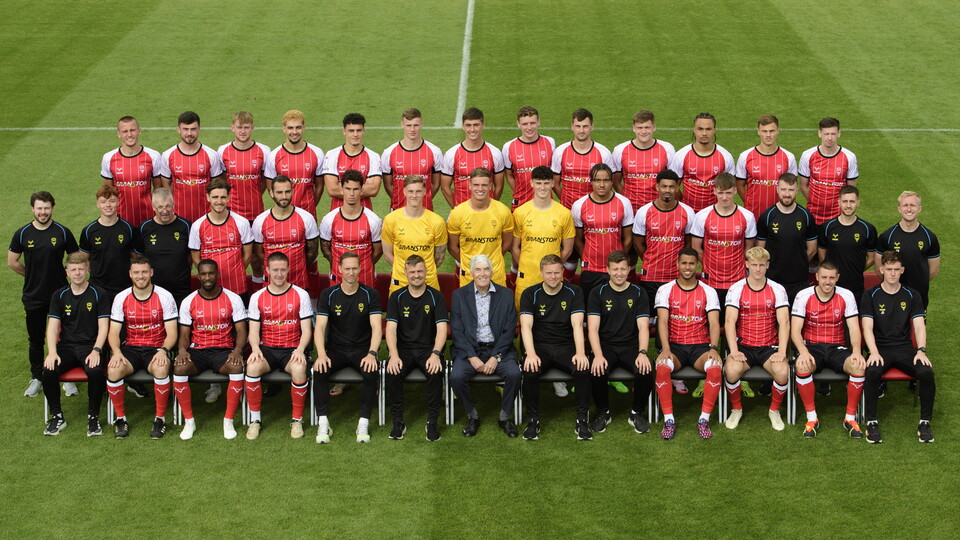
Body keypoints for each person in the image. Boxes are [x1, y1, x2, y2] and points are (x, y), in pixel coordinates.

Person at [631, 170, 697, 395]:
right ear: (657, 187)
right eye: (664, 186)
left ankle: (673, 373)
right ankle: (646, 368)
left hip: (677, 281)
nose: (668, 190)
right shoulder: (644, 212)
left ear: (677, 187)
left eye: (672, 186)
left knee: (674, 326)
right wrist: (649, 259)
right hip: (650, 279)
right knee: (647, 326)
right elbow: (639, 242)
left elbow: (688, 244)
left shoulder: (687, 212)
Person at [861, 251, 936, 443]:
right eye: (889, 269)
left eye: (896, 270)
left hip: (905, 350)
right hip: (881, 349)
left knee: (927, 373)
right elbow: (867, 327)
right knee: (871, 373)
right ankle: (872, 422)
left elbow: (919, 325)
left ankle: (925, 422)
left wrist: (921, 350)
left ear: (902, 270)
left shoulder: (912, 295)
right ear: (881, 269)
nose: (892, 273)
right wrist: (874, 352)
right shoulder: (870, 295)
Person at [9, 191, 79, 397]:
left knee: (64, 338)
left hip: (60, 296)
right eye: (39, 208)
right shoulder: (22, 234)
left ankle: (66, 379)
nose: (43, 212)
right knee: (36, 338)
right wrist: (30, 275)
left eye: (46, 208)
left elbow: (76, 260)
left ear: (52, 209)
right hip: (33, 296)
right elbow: (12, 262)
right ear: (32, 209)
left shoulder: (63, 232)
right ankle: (37, 377)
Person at [173, 259, 248, 440]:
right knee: (180, 368)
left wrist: (237, 350)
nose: (208, 277)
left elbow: (241, 331)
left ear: (217, 274)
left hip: (223, 351)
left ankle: (228, 420)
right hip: (197, 351)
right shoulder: (189, 301)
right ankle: (189, 421)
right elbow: (183, 334)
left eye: (211, 273)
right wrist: (182, 351)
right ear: (198, 276)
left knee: (236, 367)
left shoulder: (233, 298)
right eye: (204, 274)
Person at [106, 255, 178, 439]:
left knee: (161, 368)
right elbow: (113, 332)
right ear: (130, 274)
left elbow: (172, 333)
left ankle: (159, 419)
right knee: (113, 370)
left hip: (156, 348)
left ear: (151, 272)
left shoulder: (164, 296)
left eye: (144, 272)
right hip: (131, 348)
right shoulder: (121, 298)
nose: (141, 276)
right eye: (136, 272)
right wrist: (116, 352)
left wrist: (164, 350)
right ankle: (121, 420)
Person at [653, 249, 723, 439]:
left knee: (715, 369)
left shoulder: (708, 291)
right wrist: (666, 348)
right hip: (674, 347)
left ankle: (704, 420)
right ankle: (669, 420)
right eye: (684, 263)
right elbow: (662, 321)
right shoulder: (665, 290)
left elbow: (715, 323)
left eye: (692, 263)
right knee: (661, 368)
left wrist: (714, 348)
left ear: (697, 265)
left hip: (700, 347)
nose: (688, 267)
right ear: (677, 264)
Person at [314, 252, 383, 443]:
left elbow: (377, 327)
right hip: (336, 350)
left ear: (360, 269)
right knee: (319, 370)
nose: (351, 272)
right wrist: (321, 354)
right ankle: (323, 423)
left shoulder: (370, 294)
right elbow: (319, 327)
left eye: (354, 268)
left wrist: (372, 353)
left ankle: (363, 422)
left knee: (371, 372)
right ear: (339, 270)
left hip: (362, 350)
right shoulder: (329, 294)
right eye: (347, 268)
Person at [791, 260, 865, 439]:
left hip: (836, 347)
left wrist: (856, 351)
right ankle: (811, 418)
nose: (827, 282)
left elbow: (854, 328)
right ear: (816, 277)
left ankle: (849, 418)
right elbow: (795, 330)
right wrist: (803, 351)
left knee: (858, 367)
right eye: (824, 277)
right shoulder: (803, 295)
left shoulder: (846, 295)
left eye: (832, 278)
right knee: (802, 367)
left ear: (837, 278)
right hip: (811, 347)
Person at [519, 254, 591, 440]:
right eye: (549, 273)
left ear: (563, 272)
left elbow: (577, 325)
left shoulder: (574, 292)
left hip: (565, 347)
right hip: (540, 347)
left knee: (583, 369)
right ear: (541, 272)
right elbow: (526, 326)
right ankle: (533, 420)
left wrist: (581, 353)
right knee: (530, 370)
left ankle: (582, 420)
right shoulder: (530, 293)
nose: (553, 277)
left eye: (557, 273)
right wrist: (531, 354)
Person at [450, 255, 521, 437]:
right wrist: (471, 356)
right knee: (456, 376)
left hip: (498, 350)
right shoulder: (459, 295)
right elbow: (457, 331)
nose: (482, 274)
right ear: (472, 273)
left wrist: (496, 357)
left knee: (514, 373)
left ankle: (504, 417)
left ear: (492, 271)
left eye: (486, 269)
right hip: (470, 351)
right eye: (478, 270)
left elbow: (509, 330)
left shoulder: (506, 295)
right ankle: (472, 416)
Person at [244, 252, 313, 440]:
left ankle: (296, 420)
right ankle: (255, 420)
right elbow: (253, 332)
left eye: (283, 270)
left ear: (289, 269)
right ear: (267, 271)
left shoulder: (301, 295)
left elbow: (307, 330)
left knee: (299, 369)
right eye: (275, 270)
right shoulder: (257, 297)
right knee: (252, 367)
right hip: (267, 349)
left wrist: (300, 350)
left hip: (292, 349)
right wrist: (256, 349)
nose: (279, 274)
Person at [722, 247, 791, 430]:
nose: (758, 269)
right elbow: (729, 322)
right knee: (731, 370)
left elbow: (784, 322)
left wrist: (782, 351)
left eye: (762, 265)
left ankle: (774, 411)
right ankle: (736, 409)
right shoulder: (736, 289)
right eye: (754, 265)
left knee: (783, 372)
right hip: (744, 346)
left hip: (769, 347)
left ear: (768, 265)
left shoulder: (777, 289)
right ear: (747, 265)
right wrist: (734, 350)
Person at [41, 253, 109, 436]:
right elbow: (52, 328)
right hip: (67, 348)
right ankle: (57, 416)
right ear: (67, 272)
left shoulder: (98, 293)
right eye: (73, 270)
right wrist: (52, 353)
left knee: (95, 371)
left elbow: (104, 327)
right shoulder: (59, 295)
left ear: (87, 270)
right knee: (48, 370)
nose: (78, 273)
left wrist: (96, 350)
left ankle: (93, 417)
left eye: (81, 269)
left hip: (91, 346)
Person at [587, 251, 653, 436]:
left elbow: (643, 327)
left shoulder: (639, 293)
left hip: (630, 347)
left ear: (629, 269)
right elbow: (592, 329)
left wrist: (642, 352)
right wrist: (598, 355)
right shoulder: (597, 293)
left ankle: (636, 413)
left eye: (623, 269)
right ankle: (603, 413)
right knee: (596, 368)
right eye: (615, 269)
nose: (619, 273)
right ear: (607, 269)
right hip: (606, 346)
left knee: (645, 369)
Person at [385, 255, 448, 441]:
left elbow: (442, 328)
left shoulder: (436, 296)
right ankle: (398, 422)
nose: (416, 275)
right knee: (393, 372)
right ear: (405, 273)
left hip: (428, 349)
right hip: (403, 349)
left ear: (426, 271)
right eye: (412, 272)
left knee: (435, 372)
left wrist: (436, 354)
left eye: (420, 271)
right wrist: (394, 355)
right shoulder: (397, 297)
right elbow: (390, 329)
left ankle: (432, 422)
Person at [690, 172, 757, 308]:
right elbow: (696, 247)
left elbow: (749, 250)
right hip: (710, 280)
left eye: (728, 193)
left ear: (735, 191)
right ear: (714, 191)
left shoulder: (747, 217)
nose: (724, 197)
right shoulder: (702, 216)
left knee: (735, 321)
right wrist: (711, 265)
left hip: (737, 280)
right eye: (721, 193)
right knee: (712, 320)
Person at [511, 166, 575, 307]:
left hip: (553, 280)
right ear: (532, 183)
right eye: (539, 183)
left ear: (552, 183)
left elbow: (568, 249)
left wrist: (554, 268)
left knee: (553, 320)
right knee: (524, 321)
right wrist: (525, 266)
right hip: (526, 278)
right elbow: (514, 247)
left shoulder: (564, 213)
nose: (542, 187)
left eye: (546, 183)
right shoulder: (520, 213)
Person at [571, 163, 634, 299]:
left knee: (615, 310)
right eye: (597, 180)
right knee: (590, 310)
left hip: (615, 270)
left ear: (612, 182)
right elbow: (578, 238)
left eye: (605, 180)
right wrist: (587, 257)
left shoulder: (624, 203)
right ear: (591, 182)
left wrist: (619, 260)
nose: (602, 184)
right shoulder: (579, 205)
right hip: (590, 269)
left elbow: (628, 237)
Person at [252, 174, 320, 292]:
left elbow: (312, 253)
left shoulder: (306, 218)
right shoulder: (260, 221)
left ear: (292, 191)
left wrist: (298, 267)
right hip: (271, 284)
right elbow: (259, 253)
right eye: (279, 192)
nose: (284, 196)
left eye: (287, 192)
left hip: (299, 282)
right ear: (271, 193)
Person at [755, 173, 817, 302]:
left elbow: (812, 250)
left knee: (798, 320)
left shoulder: (806, 216)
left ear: (797, 191)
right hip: (773, 282)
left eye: (791, 190)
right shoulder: (767, 216)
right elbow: (760, 251)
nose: (787, 194)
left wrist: (798, 264)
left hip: (799, 282)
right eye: (783, 189)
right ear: (777, 189)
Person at [447, 167, 514, 286]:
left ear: (490, 186)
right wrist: (470, 264)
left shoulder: (503, 211)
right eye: (476, 185)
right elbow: (452, 247)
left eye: (484, 185)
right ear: (470, 186)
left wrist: (493, 260)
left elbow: (507, 243)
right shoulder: (457, 213)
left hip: (496, 274)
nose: (480, 189)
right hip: (468, 276)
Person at [382, 175, 448, 295]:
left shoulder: (437, 221)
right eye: (411, 191)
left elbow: (439, 257)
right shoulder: (391, 220)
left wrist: (420, 273)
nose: (414, 195)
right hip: (400, 281)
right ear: (404, 192)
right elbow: (387, 254)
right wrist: (407, 272)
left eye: (418, 191)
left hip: (429, 281)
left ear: (424, 192)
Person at [318, 169, 383, 288]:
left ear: (362, 189)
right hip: (338, 278)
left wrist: (365, 265)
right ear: (341, 190)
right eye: (348, 189)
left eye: (356, 189)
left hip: (365, 278)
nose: (351, 194)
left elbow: (378, 250)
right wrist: (338, 265)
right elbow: (325, 248)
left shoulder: (373, 220)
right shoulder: (329, 219)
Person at [188, 179, 253, 297]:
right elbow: (196, 259)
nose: (219, 201)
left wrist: (235, 272)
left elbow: (248, 254)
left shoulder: (241, 223)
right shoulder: (197, 226)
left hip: (237, 287)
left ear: (228, 198)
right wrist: (209, 276)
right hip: (210, 289)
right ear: (208, 197)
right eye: (215, 197)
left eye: (223, 197)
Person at [157, 111, 225, 223]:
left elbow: (216, 186)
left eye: (193, 129)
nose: (189, 133)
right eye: (185, 129)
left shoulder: (211, 155)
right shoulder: (168, 155)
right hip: (178, 217)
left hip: (206, 216)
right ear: (178, 129)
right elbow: (166, 185)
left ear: (199, 129)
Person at [876, 191, 939, 310]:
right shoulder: (887, 236)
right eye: (905, 205)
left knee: (918, 328)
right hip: (892, 295)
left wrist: (919, 281)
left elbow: (933, 270)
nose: (909, 209)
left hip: (919, 297)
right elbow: (879, 268)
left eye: (913, 205)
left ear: (920, 208)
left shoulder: (930, 237)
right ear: (899, 208)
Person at [818, 186, 877, 302]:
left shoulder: (867, 229)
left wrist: (858, 269)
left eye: (852, 201)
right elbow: (822, 255)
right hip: (832, 287)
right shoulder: (827, 227)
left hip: (856, 287)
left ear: (858, 203)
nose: (848, 205)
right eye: (845, 201)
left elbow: (872, 257)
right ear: (839, 202)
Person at [100, 115, 162, 227]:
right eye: (125, 131)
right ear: (118, 134)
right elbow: (108, 192)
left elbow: (158, 190)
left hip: (148, 218)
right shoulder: (108, 158)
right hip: (119, 219)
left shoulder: (153, 156)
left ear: (139, 131)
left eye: (133, 130)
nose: (129, 134)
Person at [135, 188, 192, 307]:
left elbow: (191, 256)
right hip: (153, 291)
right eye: (160, 207)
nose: (164, 211)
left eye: (168, 206)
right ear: (153, 207)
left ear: (173, 204)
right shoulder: (144, 228)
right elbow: (139, 258)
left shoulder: (186, 226)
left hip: (181, 291)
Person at [79, 185, 136, 302]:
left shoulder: (129, 229)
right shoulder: (89, 231)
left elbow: (136, 259)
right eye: (103, 202)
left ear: (118, 202)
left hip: (124, 288)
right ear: (97, 204)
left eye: (112, 201)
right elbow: (83, 260)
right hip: (98, 289)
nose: (108, 205)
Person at [668, 112, 735, 212]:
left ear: (714, 131)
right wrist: (683, 203)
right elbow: (672, 186)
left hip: (715, 213)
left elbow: (730, 188)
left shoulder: (725, 156)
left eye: (708, 129)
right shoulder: (681, 155)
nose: (704, 133)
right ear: (694, 130)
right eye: (700, 129)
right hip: (688, 212)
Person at [611, 109, 676, 211]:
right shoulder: (620, 150)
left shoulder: (667, 149)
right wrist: (625, 199)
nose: (644, 131)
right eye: (640, 128)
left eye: (647, 127)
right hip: (631, 209)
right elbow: (615, 181)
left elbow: (674, 180)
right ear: (634, 128)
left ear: (654, 127)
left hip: (658, 207)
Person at [735, 115, 798, 219]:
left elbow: (793, 187)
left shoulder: (788, 157)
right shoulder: (745, 156)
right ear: (758, 131)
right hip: (753, 215)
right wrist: (749, 202)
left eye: (772, 131)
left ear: (778, 131)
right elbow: (739, 185)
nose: (768, 135)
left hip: (780, 216)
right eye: (764, 131)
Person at [264, 110, 325, 218]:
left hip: (308, 214)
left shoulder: (317, 153)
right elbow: (270, 188)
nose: (294, 132)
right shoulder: (274, 156)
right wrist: (284, 206)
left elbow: (319, 186)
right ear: (284, 129)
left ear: (304, 128)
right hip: (283, 215)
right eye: (290, 128)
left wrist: (311, 205)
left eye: (298, 127)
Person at [797, 117, 858, 225]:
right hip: (813, 214)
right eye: (826, 134)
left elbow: (851, 189)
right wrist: (816, 202)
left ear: (839, 133)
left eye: (833, 134)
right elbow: (803, 185)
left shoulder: (849, 157)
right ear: (819, 133)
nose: (830, 138)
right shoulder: (807, 155)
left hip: (839, 216)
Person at [440, 107, 505, 206]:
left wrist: (492, 206)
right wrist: (456, 208)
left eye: (476, 125)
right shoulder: (451, 154)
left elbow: (499, 186)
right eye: (468, 125)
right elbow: (445, 187)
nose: (472, 129)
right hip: (461, 214)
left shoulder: (495, 153)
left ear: (483, 125)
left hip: (487, 212)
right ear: (463, 126)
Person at [381, 108, 444, 211]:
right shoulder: (389, 153)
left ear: (421, 124)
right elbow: (388, 185)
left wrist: (424, 198)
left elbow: (436, 184)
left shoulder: (435, 152)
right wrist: (402, 200)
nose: (412, 129)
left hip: (425, 210)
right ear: (402, 125)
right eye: (408, 125)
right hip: (398, 210)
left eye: (416, 125)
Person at [552, 108, 613, 209]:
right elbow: (554, 183)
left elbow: (609, 183)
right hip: (568, 209)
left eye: (585, 126)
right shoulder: (560, 152)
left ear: (592, 127)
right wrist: (565, 200)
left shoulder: (603, 153)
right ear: (572, 127)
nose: (581, 130)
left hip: (593, 209)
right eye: (578, 126)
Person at [217, 111, 271, 223]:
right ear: (232, 128)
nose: (242, 131)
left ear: (252, 128)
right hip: (231, 211)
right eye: (239, 127)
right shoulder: (222, 151)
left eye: (246, 127)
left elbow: (266, 179)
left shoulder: (264, 151)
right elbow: (222, 180)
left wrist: (255, 194)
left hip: (256, 212)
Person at [321, 112, 382, 211]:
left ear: (363, 131)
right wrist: (363, 187)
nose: (355, 134)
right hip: (337, 213)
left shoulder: (373, 156)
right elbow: (332, 190)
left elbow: (374, 190)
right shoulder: (332, 155)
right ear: (344, 131)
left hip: (365, 214)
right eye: (351, 131)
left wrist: (341, 186)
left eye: (359, 130)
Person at [502, 105, 556, 210]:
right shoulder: (508, 147)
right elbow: (509, 175)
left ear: (538, 121)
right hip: (521, 203)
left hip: (546, 204)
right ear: (518, 124)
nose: (529, 128)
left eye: (532, 123)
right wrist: (520, 191)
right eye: (525, 124)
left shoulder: (550, 142)